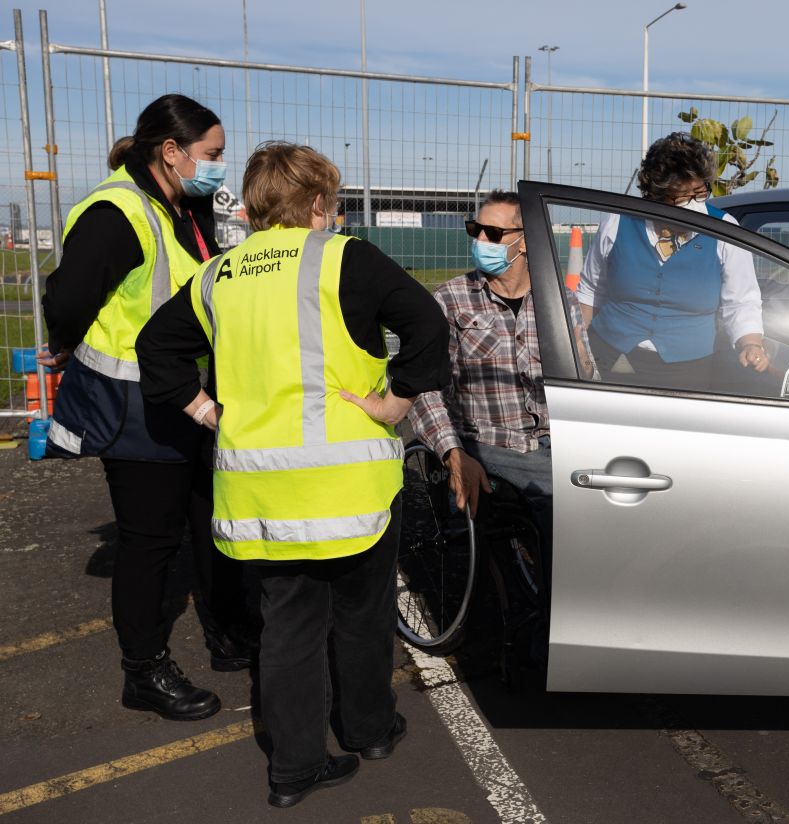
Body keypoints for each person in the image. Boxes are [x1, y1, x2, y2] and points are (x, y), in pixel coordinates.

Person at [136, 141, 449, 808]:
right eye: (330, 203)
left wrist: (203, 409)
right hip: (352, 485)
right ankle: (370, 731)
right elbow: (427, 324)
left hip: (263, 491)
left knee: (289, 627)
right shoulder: (345, 258)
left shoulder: (219, 274)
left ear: (251, 208)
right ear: (318, 203)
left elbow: (156, 346)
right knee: (364, 616)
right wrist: (395, 400)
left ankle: (294, 769)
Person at [40, 93, 252, 723]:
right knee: (150, 542)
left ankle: (227, 633)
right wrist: (64, 342)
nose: (219, 166)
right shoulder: (117, 211)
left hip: (186, 396)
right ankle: (144, 671)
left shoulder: (183, 205)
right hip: (136, 406)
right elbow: (68, 296)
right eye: (211, 155)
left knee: (211, 521)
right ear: (171, 151)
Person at [409, 191, 563, 579]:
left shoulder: (558, 301)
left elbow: (586, 377)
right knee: (562, 513)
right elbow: (425, 389)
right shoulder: (450, 300)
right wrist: (453, 452)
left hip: (560, 442)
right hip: (492, 445)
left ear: (524, 241)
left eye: (492, 233)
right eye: (475, 230)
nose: (480, 241)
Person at [578, 131, 770, 389]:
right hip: (609, 353)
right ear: (655, 194)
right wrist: (578, 344)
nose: (693, 205)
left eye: (700, 193)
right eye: (681, 197)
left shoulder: (725, 229)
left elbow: (742, 301)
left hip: (688, 368)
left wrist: (751, 344)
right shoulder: (617, 223)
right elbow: (590, 291)